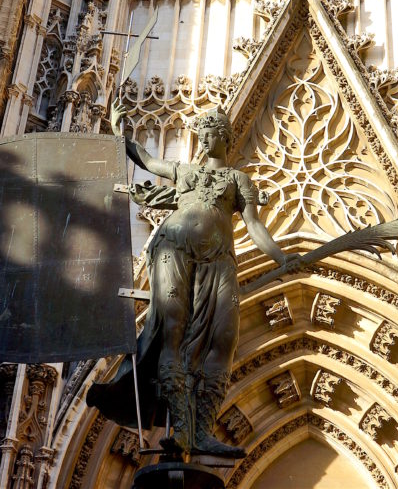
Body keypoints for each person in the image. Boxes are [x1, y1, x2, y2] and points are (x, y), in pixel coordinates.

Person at [87, 109, 300, 457]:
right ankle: (185, 431)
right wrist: (117, 130)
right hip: (174, 247)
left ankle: (202, 429)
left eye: (210, 132)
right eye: (200, 132)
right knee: (172, 330)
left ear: (225, 137)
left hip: (218, 260)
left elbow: (254, 226)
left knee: (225, 338)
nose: (203, 139)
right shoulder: (185, 172)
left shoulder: (237, 180)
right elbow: (146, 159)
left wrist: (281, 258)